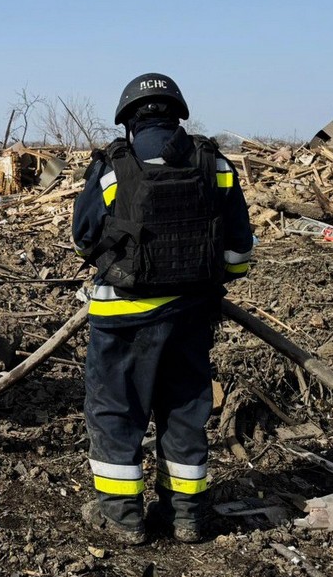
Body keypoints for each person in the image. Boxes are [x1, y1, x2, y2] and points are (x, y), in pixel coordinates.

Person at [72, 73, 253, 544]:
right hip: (193, 316)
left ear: (129, 119)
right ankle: (187, 515)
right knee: (184, 410)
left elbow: (84, 237)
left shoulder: (113, 165)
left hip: (122, 318)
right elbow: (238, 251)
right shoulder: (213, 162)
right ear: (177, 114)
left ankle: (122, 517)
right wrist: (207, 288)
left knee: (116, 409)